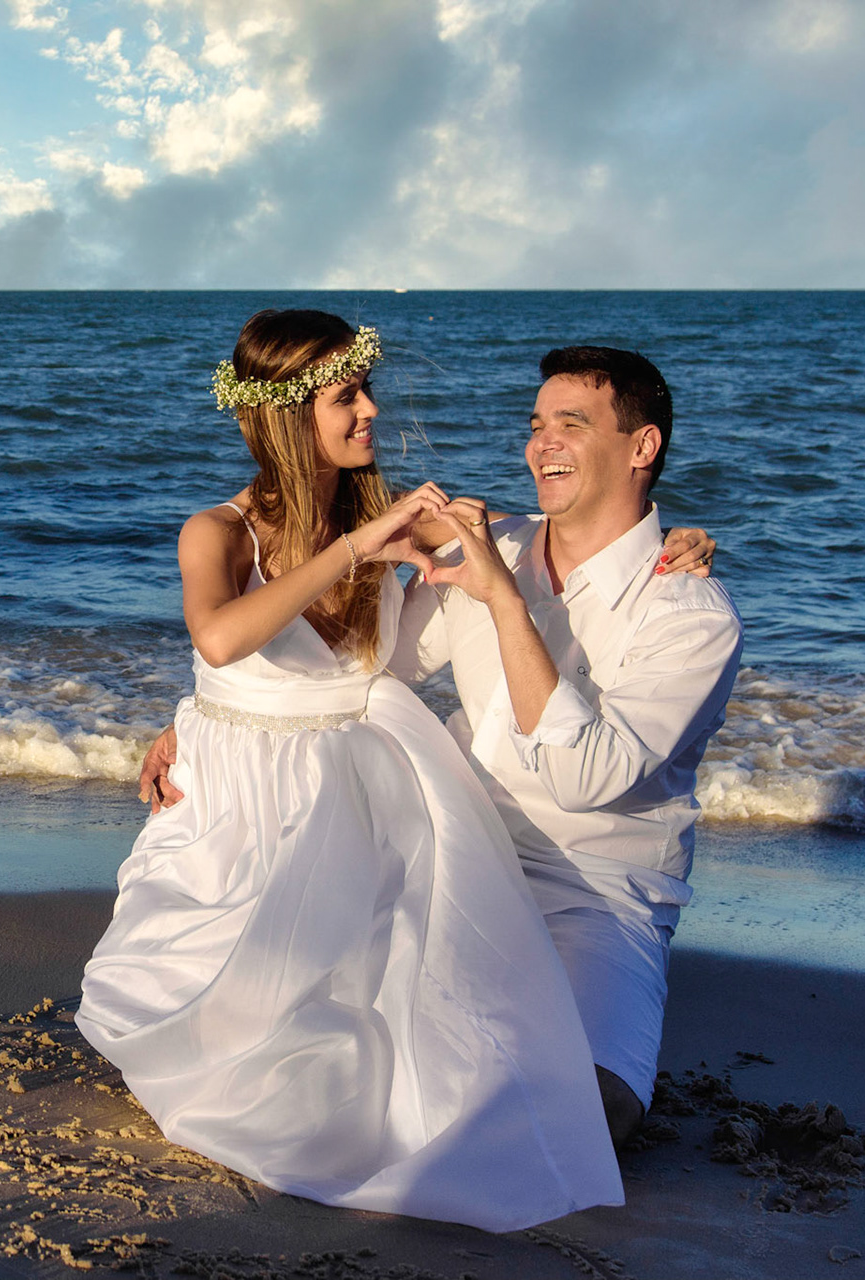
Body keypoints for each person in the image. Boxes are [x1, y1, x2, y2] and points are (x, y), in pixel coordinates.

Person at [77, 309, 638, 1235]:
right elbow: (220, 639)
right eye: (347, 397)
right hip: (241, 796)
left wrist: (676, 542)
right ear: (290, 416)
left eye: (366, 390)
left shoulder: (392, 525)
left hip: (354, 780)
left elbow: (561, 532)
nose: (371, 411)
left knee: (393, 1025)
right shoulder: (215, 532)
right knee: (217, 1015)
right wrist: (352, 553)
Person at [145, 345, 740, 1149]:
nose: (543, 445)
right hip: (452, 849)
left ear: (642, 448)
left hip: (597, 888)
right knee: (311, 1051)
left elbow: (584, 776)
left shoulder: (689, 614)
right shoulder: (489, 541)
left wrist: (503, 602)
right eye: (536, 426)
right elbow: (355, 670)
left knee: (586, 1116)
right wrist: (204, 716)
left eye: (572, 424)